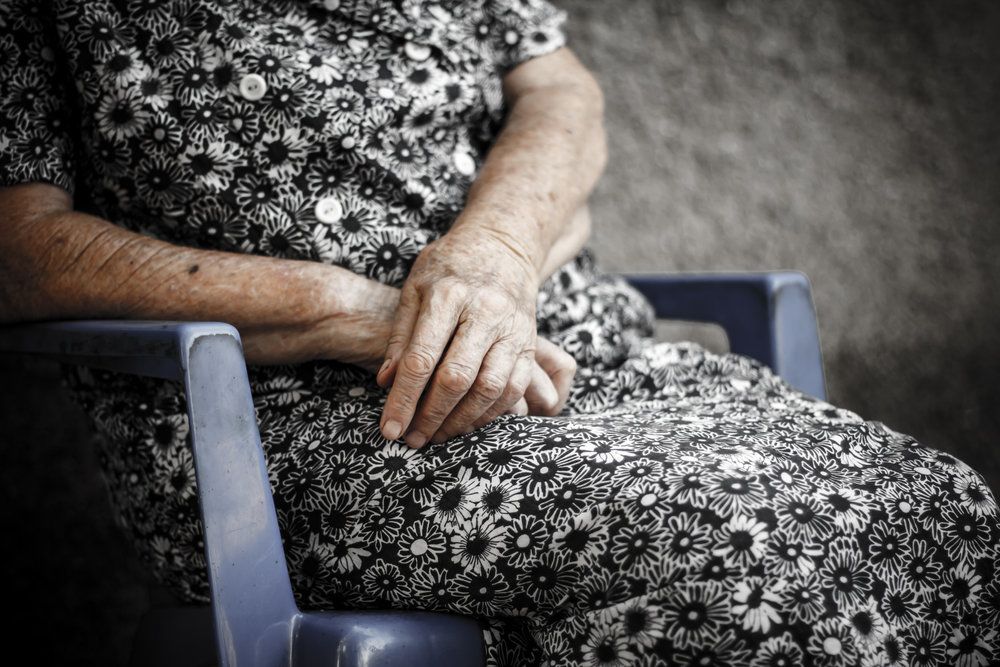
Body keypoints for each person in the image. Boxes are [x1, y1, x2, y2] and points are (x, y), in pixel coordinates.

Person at [1, 1, 997, 664]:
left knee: (941, 501)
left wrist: (491, 258)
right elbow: (20, 250)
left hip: (578, 356)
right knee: (744, 535)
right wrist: (360, 312)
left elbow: (561, 92)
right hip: (305, 429)